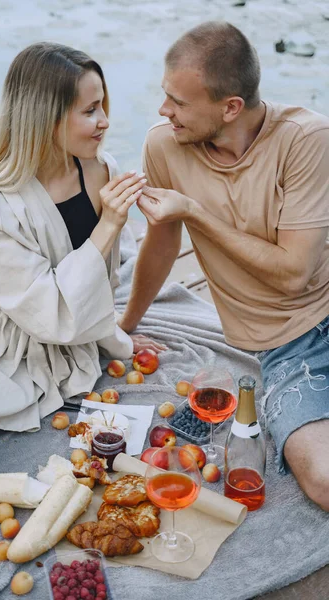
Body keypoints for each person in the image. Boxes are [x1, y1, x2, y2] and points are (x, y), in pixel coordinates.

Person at [119, 22, 329, 511]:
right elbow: (161, 244)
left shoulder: (307, 139)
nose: (163, 110)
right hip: (288, 345)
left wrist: (194, 211)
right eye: (164, 94)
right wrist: (123, 328)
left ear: (230, 106)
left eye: (178, 101)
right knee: (321, 479)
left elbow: (294, 273)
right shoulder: (164, 145)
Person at [0, 42, 165, 459]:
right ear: (46, 117)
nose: (105, 121)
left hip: (49, 336)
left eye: (102, 106)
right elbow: (40, 302)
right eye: (90, 111)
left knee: (5, 407)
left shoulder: (99, 169)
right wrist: (108, 224)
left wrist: (114, 331)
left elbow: (100, 282)